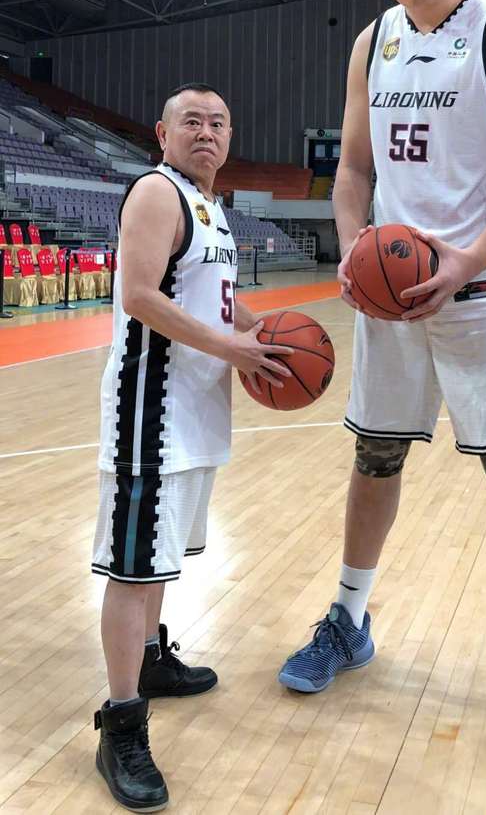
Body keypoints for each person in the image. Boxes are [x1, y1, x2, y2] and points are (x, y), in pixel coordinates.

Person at [278, 0, 486, 767]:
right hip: (391, 296)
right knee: (375, 455)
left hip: (477, 292)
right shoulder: (373, 41)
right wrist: (349, 248)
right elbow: (353, 169)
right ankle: (349, 616)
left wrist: (467, 258)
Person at [92, 83, 292, 811]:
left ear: (230, 135)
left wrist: (263, 338)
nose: (205, 132)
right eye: (191, 122)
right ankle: (120, 723)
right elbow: (140, 295)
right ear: (163, 132)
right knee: (133, 565)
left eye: (217, 122)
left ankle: (148, 661)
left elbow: (218, 303)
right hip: (150, 408)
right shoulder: (155, 190)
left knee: (162, 557)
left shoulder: (212, 207)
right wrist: (229, 347)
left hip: (195, 411)